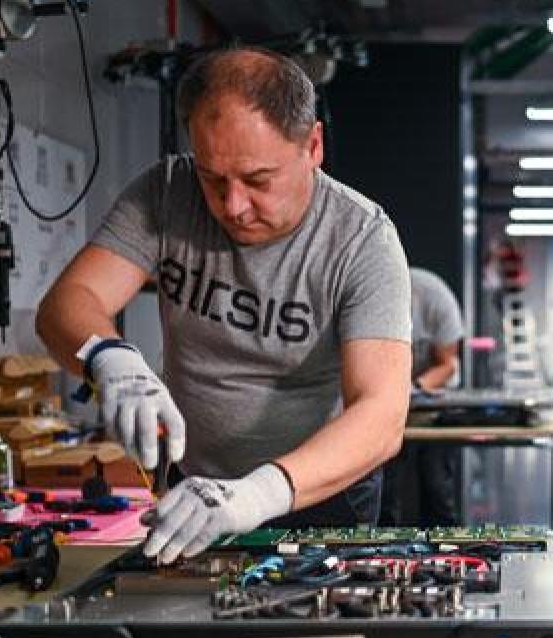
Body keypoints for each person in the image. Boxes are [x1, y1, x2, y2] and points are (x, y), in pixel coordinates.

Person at [36, 47, 412, 564]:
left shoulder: (362, 240)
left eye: (258, 180)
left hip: (317, 495)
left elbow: (382, 414)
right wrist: (112, 360)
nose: (233, 206)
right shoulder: (168, 192)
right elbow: (67, 303)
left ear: (314, 146)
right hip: (195, 490)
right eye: (213, 178)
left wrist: (256, 495)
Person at [380, 267, 465, 526]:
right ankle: (385, 551)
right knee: (385, 486)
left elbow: (448, 364)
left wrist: (413, 387)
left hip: (432, 398)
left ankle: (446, 551)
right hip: (388, 399)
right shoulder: (374, 297)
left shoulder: (437, 299)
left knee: (437, 484)